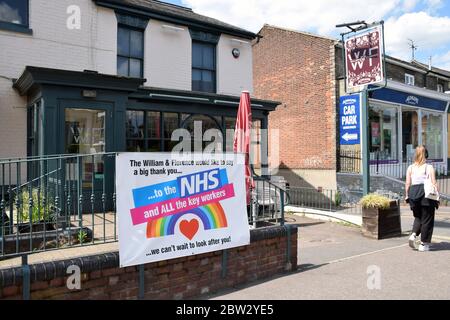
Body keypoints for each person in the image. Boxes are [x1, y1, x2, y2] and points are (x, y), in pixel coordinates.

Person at [405, 145, 439, 252]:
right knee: (427, 219)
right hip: (425, 195)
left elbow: (407, 183)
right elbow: (434, 183)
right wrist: (437, 196)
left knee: (418, 217)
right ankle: (423, 244)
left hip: (413, 194)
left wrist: (407, 195)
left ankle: (414, 234)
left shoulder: (410, 167)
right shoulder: (428, 167)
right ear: (426, 154)